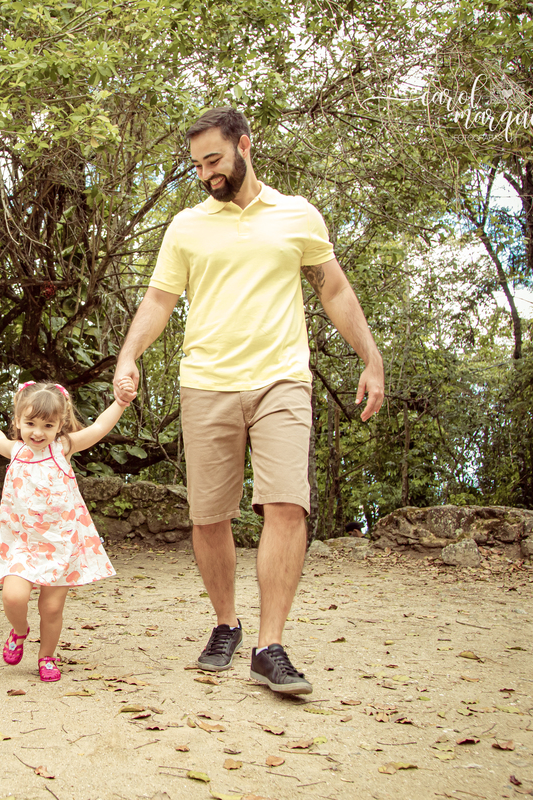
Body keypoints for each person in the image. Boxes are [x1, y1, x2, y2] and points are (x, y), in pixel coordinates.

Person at [112, 108, 385, 695]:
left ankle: (270, 645)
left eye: (214, 160)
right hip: (206, 382)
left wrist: (371, 357)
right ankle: (225, 624)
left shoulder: (297, 215)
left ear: (244, 145)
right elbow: (160, 300)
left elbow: (332, 287)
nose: (207, 173)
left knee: (287, 504)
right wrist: (129, 354)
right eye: (197, 165)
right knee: (209, 516)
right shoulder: (186, 226)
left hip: (283, 379)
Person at [0, 380, 135, 682]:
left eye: (48, 425)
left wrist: (121, 403)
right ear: (18, 421)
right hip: (21, 544)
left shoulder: (62, 449)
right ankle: (20, 631)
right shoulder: (15, 451)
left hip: (61, 543)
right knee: (13, 597)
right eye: (31, 423)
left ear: (59, 426)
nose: (38, 432)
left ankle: (47, 656)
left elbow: (100, 428)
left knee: (50, 608)